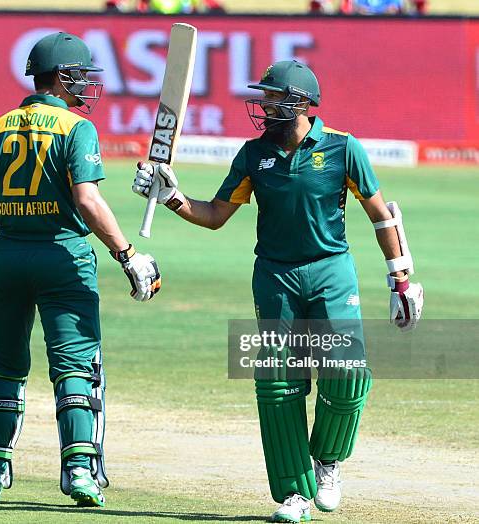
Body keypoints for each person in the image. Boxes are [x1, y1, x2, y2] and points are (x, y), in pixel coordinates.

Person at [132, 61, 423, 522]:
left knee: (346, 370)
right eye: (263, 97)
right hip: (274, 279)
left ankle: (326, 461)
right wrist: (170, 197)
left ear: (303, 103)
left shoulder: (343, 149)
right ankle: (294, 494)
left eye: (273, 97)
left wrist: (401, 278)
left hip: (331, 270)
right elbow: (214, 215)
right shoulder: (253, 155)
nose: (264, 105)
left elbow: (381, 215)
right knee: (278, 385)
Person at [0, 32, 161, 507]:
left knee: (1, 363)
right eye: (80, 76)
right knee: (76, 366)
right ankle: (79, 471)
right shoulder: (76, 128)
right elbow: (87, 199)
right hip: (65, 258)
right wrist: (127, 254)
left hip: (9, 257)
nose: (86, 85)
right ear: (61, 78)